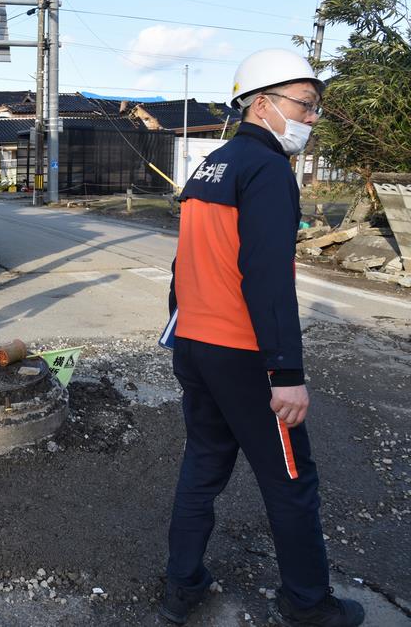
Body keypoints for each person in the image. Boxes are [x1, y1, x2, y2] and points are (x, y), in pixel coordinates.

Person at [160, 49, 365, 627]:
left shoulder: (212, 165)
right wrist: (287, 374)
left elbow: (184, 263)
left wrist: (179, 326)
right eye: (305, 104)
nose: (312, 116)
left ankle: (182, 586)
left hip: (196, 345)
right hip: (244, 353)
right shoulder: (268, 170)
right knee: (291, 479)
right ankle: (308, 603)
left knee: (203, 464)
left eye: (315, 105)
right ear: (262, 102)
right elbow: (269, 277)